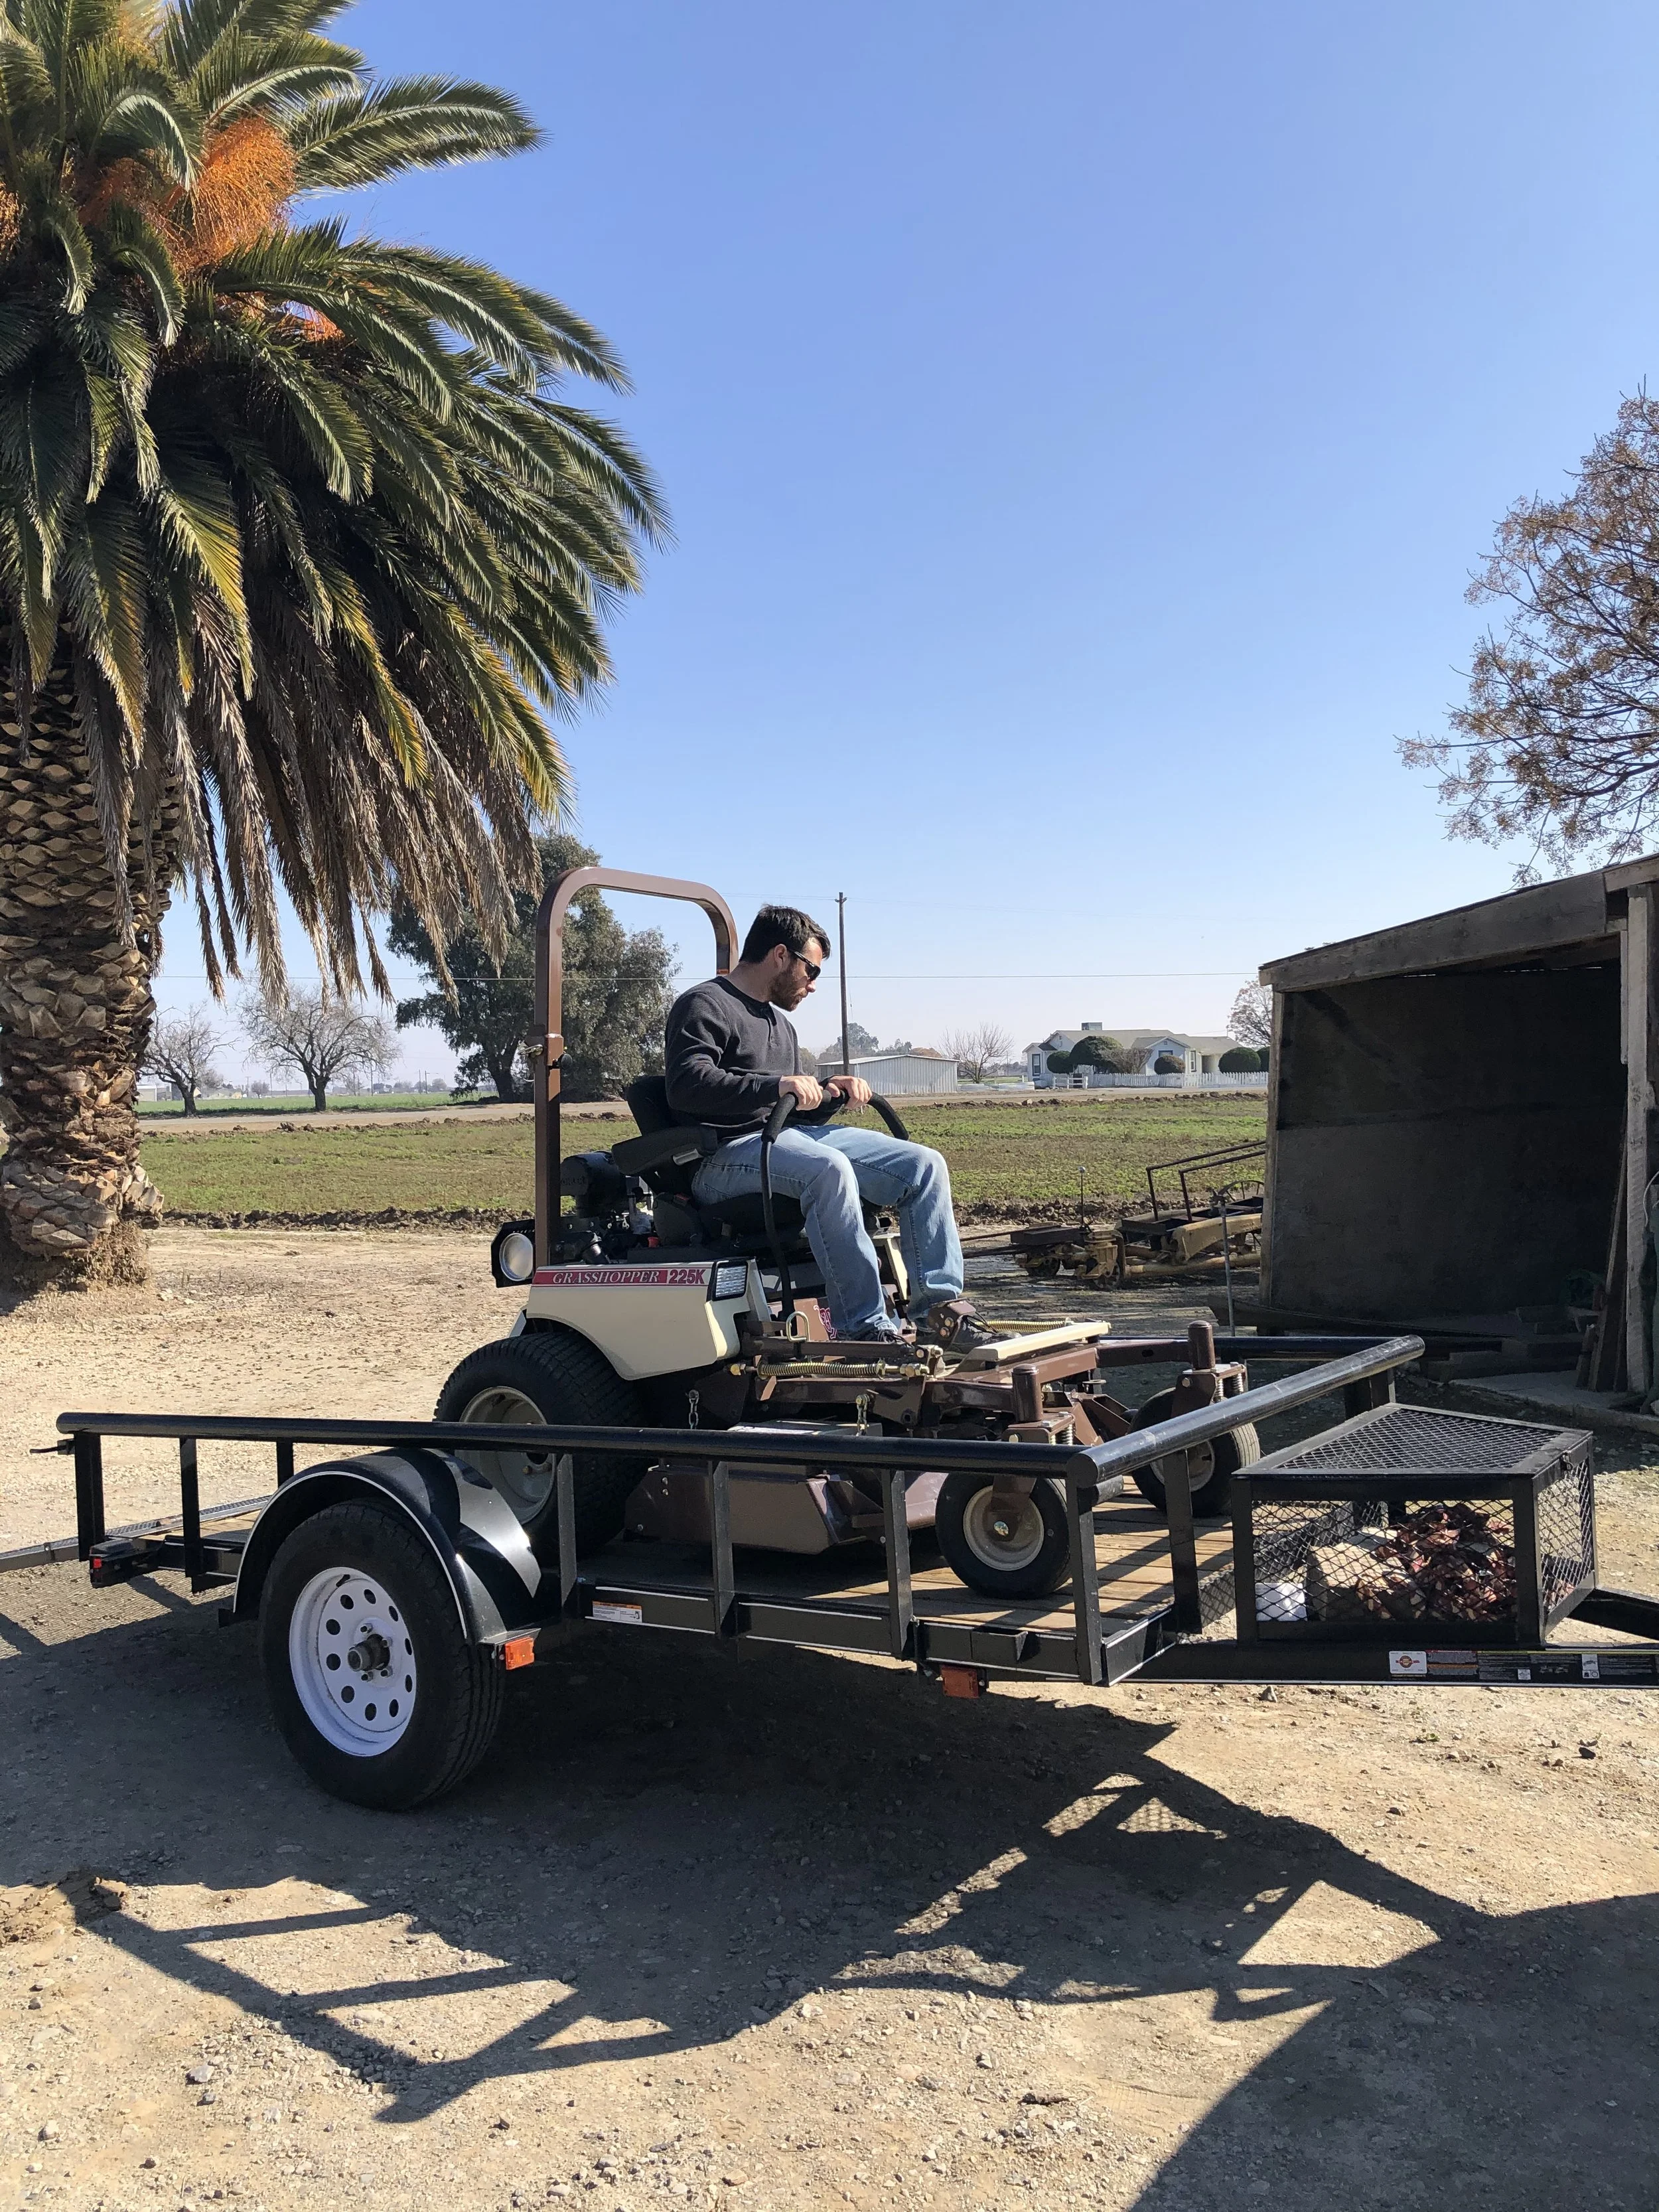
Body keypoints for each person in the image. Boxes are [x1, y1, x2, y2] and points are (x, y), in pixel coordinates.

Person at [663, 903, 995, 1348]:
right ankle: (867, 1327)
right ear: (780, 955)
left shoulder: (779, 1024)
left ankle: (940, 1313)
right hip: (721, 1156)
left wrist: (826, 1092)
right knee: (829, 1168)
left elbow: (787, 1106)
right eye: (812, 970)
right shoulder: (706, 1004)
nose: (813, 985)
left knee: (924, 1165)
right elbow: (687, 1085)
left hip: (785, 1139)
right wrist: (777, 1085)